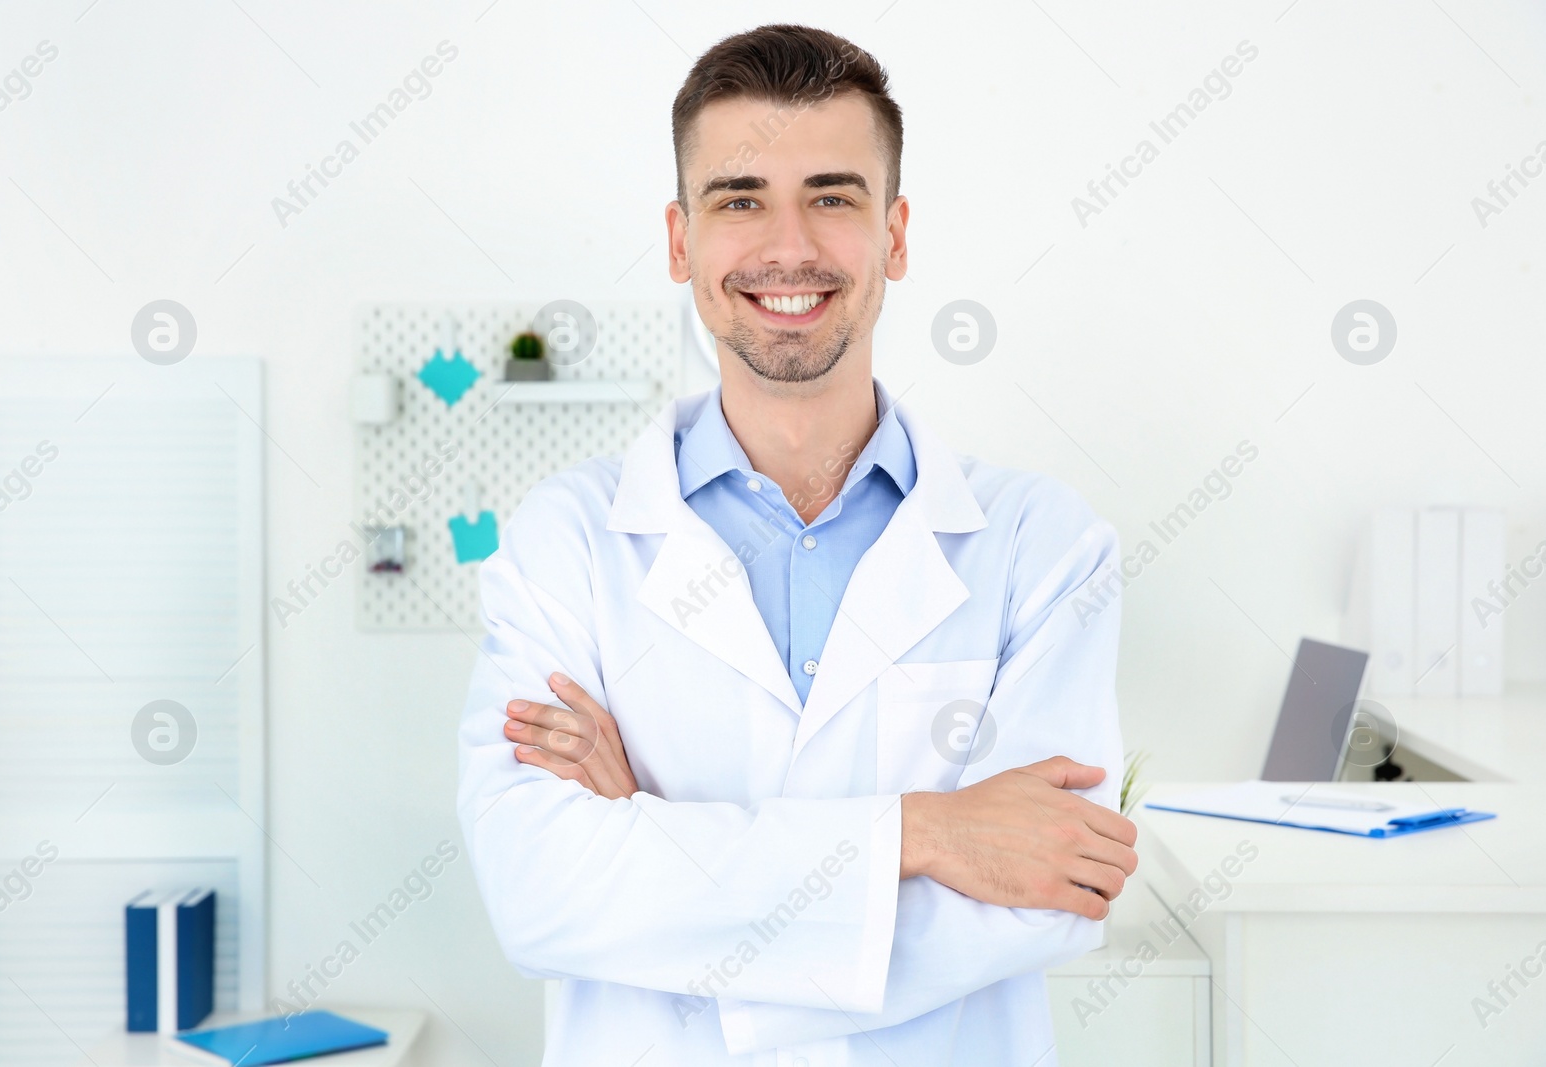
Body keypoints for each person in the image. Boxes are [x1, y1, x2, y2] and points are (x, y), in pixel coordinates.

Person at [457, 23, 1137, 1066]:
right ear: (681, 240)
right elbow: (537, 893)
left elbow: (1049, 896)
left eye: (831, 195)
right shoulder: (565, 545)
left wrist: (651, 849)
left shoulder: (1044, 550)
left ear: (894, 235)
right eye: (740, 200)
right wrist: (928, 834)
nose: (789, 247)